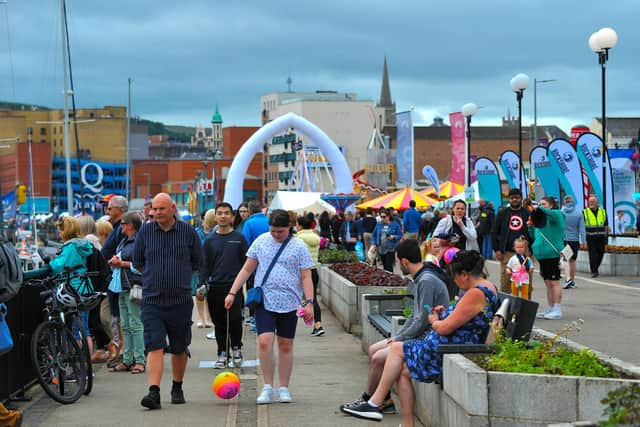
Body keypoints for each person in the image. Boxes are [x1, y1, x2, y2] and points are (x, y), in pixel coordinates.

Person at [340, 251, 499, 425]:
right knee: (402, 372)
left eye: (455, 276)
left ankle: (374, 403)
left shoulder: (475, 293)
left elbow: (445, 328)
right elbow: (465, 319)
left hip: (449, 347)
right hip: (454, 344)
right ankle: (406, 423)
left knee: (396, 348)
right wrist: (444, 314)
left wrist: (434, 320)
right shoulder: (489, 287)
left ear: (465, 274)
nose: (454, 281)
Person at [340, 239, 449, 415]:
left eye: (398, 261)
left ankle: (371, 400)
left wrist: (398, 338)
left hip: (428, 336)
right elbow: (415, 316)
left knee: (378, 357)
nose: (398, 265)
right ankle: (382, 400)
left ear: (404, 261)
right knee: (374, 349)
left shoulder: (426, 281)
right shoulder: (421, 278)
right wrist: (397, 336)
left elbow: (421, 320)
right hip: (421, 333)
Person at [224, 209, 314, 405]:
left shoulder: (299, 246)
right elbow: (247, 268)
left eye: (280, 231)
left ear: (289, 228)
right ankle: (267, 386)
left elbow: (306, 276)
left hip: (290, 301)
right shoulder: (262, 242)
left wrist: (309, 302)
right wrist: (233, 292)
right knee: (264, 341)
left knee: (285, 344)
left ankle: (283, 387)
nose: (275, 235)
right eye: (273, 231)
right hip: (265, 299)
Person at [133, 193, 202, 410]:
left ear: (173, 208)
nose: (157, 213)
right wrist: (155, 277)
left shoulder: (188, 232)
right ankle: (153, 392)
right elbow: (138, 261)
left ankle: (177, 386)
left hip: (180, 300)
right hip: (152, 299)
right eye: (154, 209)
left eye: (161, 209)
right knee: (154, 344)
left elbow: (197, 261)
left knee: (180, 346)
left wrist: (179, 278)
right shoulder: (145, 231)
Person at [200, 202, 248, 369]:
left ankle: (236, 349)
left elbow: (246, 265)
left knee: (235, 321)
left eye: (226, 213)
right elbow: (204, 266)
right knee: (219, 323)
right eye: (219, 213)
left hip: (234, 288)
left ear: (232, 216)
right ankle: (222, 353)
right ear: (215, 216)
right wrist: (201, 284)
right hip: (215, 288)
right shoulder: (209, 241)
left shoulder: (239, 239)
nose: (223, 216)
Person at [49, 217, 95, 351]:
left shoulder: (70, 247)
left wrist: (50, 262)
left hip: (73, 290)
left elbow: (58, 266)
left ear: (66, 231)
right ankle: (88, 364)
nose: (59, 234)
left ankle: (80, 362)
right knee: (84, 328)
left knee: (76, 331)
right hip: (85, 288)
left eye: (60, 231)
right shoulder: (81, 245)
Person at [108, 211, 145, 374]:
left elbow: (142, 266)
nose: (120, 226)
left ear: (130, 226)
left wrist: (120, 263)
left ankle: (139, 360)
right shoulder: (125, 241)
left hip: (132, 286)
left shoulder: (138, 242)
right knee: (125, 324)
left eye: (122, 224)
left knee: (135, 324)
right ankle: (128, 359)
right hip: (122, 286)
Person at [101, 195, 128, 365]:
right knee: (113, 316)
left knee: (119, 317)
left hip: (118, 278)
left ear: (120, 209)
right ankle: (120, 348)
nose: (107, 211)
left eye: (110, 208)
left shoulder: (121, 228)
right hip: (112, 279)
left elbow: (121, 250)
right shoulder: (116, 227)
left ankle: (123, 350)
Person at [529, 197, 566, 319]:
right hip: (542, 255)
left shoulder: (556, 214)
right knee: (547, 282)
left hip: (552, 254)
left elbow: (550, 213)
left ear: (551, 205)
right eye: (540, 203)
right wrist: (530, 225)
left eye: (544, 204)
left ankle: (557, 309)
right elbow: (534, 234)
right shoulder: (541, 218)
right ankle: (550, 307)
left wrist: (537, 208)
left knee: (554, 282)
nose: (541, 206)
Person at [492, 188, 532, 294]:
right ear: (509, 199)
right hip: (507, 253)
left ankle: (525, 309)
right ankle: (506, 308)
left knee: (525, 284)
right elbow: (494, 232)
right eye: (512, 198)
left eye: (517, 197)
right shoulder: (502, 213)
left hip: (525, 254)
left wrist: (531, 251)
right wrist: (497, 249)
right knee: (506, 283)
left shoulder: (527, 213)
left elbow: (532, 233)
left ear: (521, 199)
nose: (514, 199)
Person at [296, 215, 324, 337]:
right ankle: (317, 324)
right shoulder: (316, 237)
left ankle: (316, 325)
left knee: (302, 299)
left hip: (302, 273)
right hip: (314, 271)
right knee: (312, 300)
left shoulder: (298, 239)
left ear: (300, 226)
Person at [561, 195, 585, 289]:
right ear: (573, 202)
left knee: (565, 259)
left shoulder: (561, 213)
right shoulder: (579, 214)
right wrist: (584, 241)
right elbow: (582, 229)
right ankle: (572, 280)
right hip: (574, 240)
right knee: (573, 260)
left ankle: (568, 279)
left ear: (564, 202)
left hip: (564, 239)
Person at [582, 195, 608, 278]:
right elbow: (582, 226)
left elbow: (606, 224)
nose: (591, 203)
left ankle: (595, 268)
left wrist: (606, 236)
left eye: (593, 201)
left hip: (601, 237)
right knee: (593, 254)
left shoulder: (603, 211)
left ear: (597, 203)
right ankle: (594, 271)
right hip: (590, 237)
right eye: (590, 202)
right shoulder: (585, 212)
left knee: (601, 253)